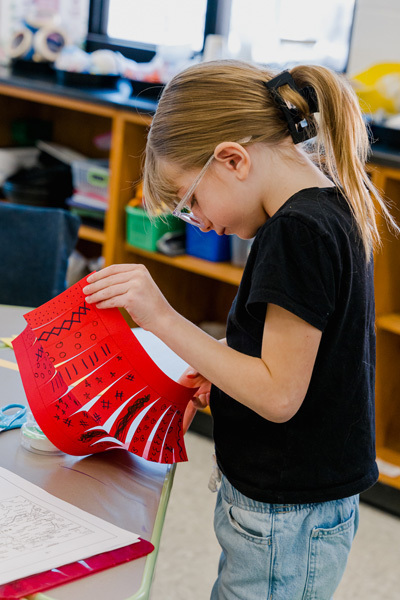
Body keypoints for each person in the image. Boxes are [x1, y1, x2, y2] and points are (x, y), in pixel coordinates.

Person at [83, 60, 398, 600]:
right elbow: (305, 347)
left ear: (232, 159)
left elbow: (278, 395)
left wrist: (162, 317)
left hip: (286, 511)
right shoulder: (323, 206)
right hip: (295, 504)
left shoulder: (296, 233)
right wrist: (223, 361)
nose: (201, 222)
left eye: (192, 202)